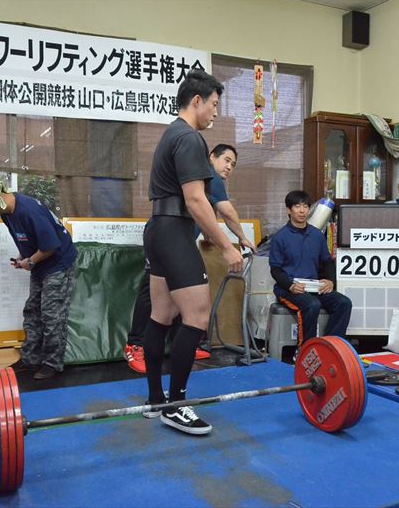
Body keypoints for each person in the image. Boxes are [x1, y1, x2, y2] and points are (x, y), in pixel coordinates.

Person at [141, 70, 243, 435]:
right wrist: (228, 247)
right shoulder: (189, 137)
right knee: (197, 315)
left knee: (161, 314)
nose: (215, 112)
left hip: (157, 229)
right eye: (214, 104)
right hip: (173, 232)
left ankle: (156, 400)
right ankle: (175, 405)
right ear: (196, 100)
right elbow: (197, 200)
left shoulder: (172, 133)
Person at [123, 144, 256, 374]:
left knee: (181, 292)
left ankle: (182, 345)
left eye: (233, 164)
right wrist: (242, 238)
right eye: (226, 160)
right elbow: (227, 212)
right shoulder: (210, 175)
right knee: (151, 291)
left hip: (179, 241)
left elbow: (203, 215)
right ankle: (135, 345)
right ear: (211, 157)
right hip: (164, 238)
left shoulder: (205, 182)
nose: (229, 167)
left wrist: (210, 236)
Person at [0, 178, 78, 380]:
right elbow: (24, 238)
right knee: (32, 311)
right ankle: (30, 359)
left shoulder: (29, 211)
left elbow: (50, 246)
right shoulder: (7, 213)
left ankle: (52, 363)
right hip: (41, 264)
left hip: (58, 263)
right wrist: (22, 257)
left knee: (52, 315)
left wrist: (31, 262)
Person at [268, 190, 352, 355]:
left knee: (344, 303)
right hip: (288, 288)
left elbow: (327, 262)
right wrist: (291, 285)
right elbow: (275, 270)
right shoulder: (280, 237)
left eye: (305, 206)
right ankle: (305, 351)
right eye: (297, 206)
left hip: (313, 286)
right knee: (312, 305)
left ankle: (330, 348)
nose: (302, 211)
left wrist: (330, 281)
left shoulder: (316, 235)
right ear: (288, 210)